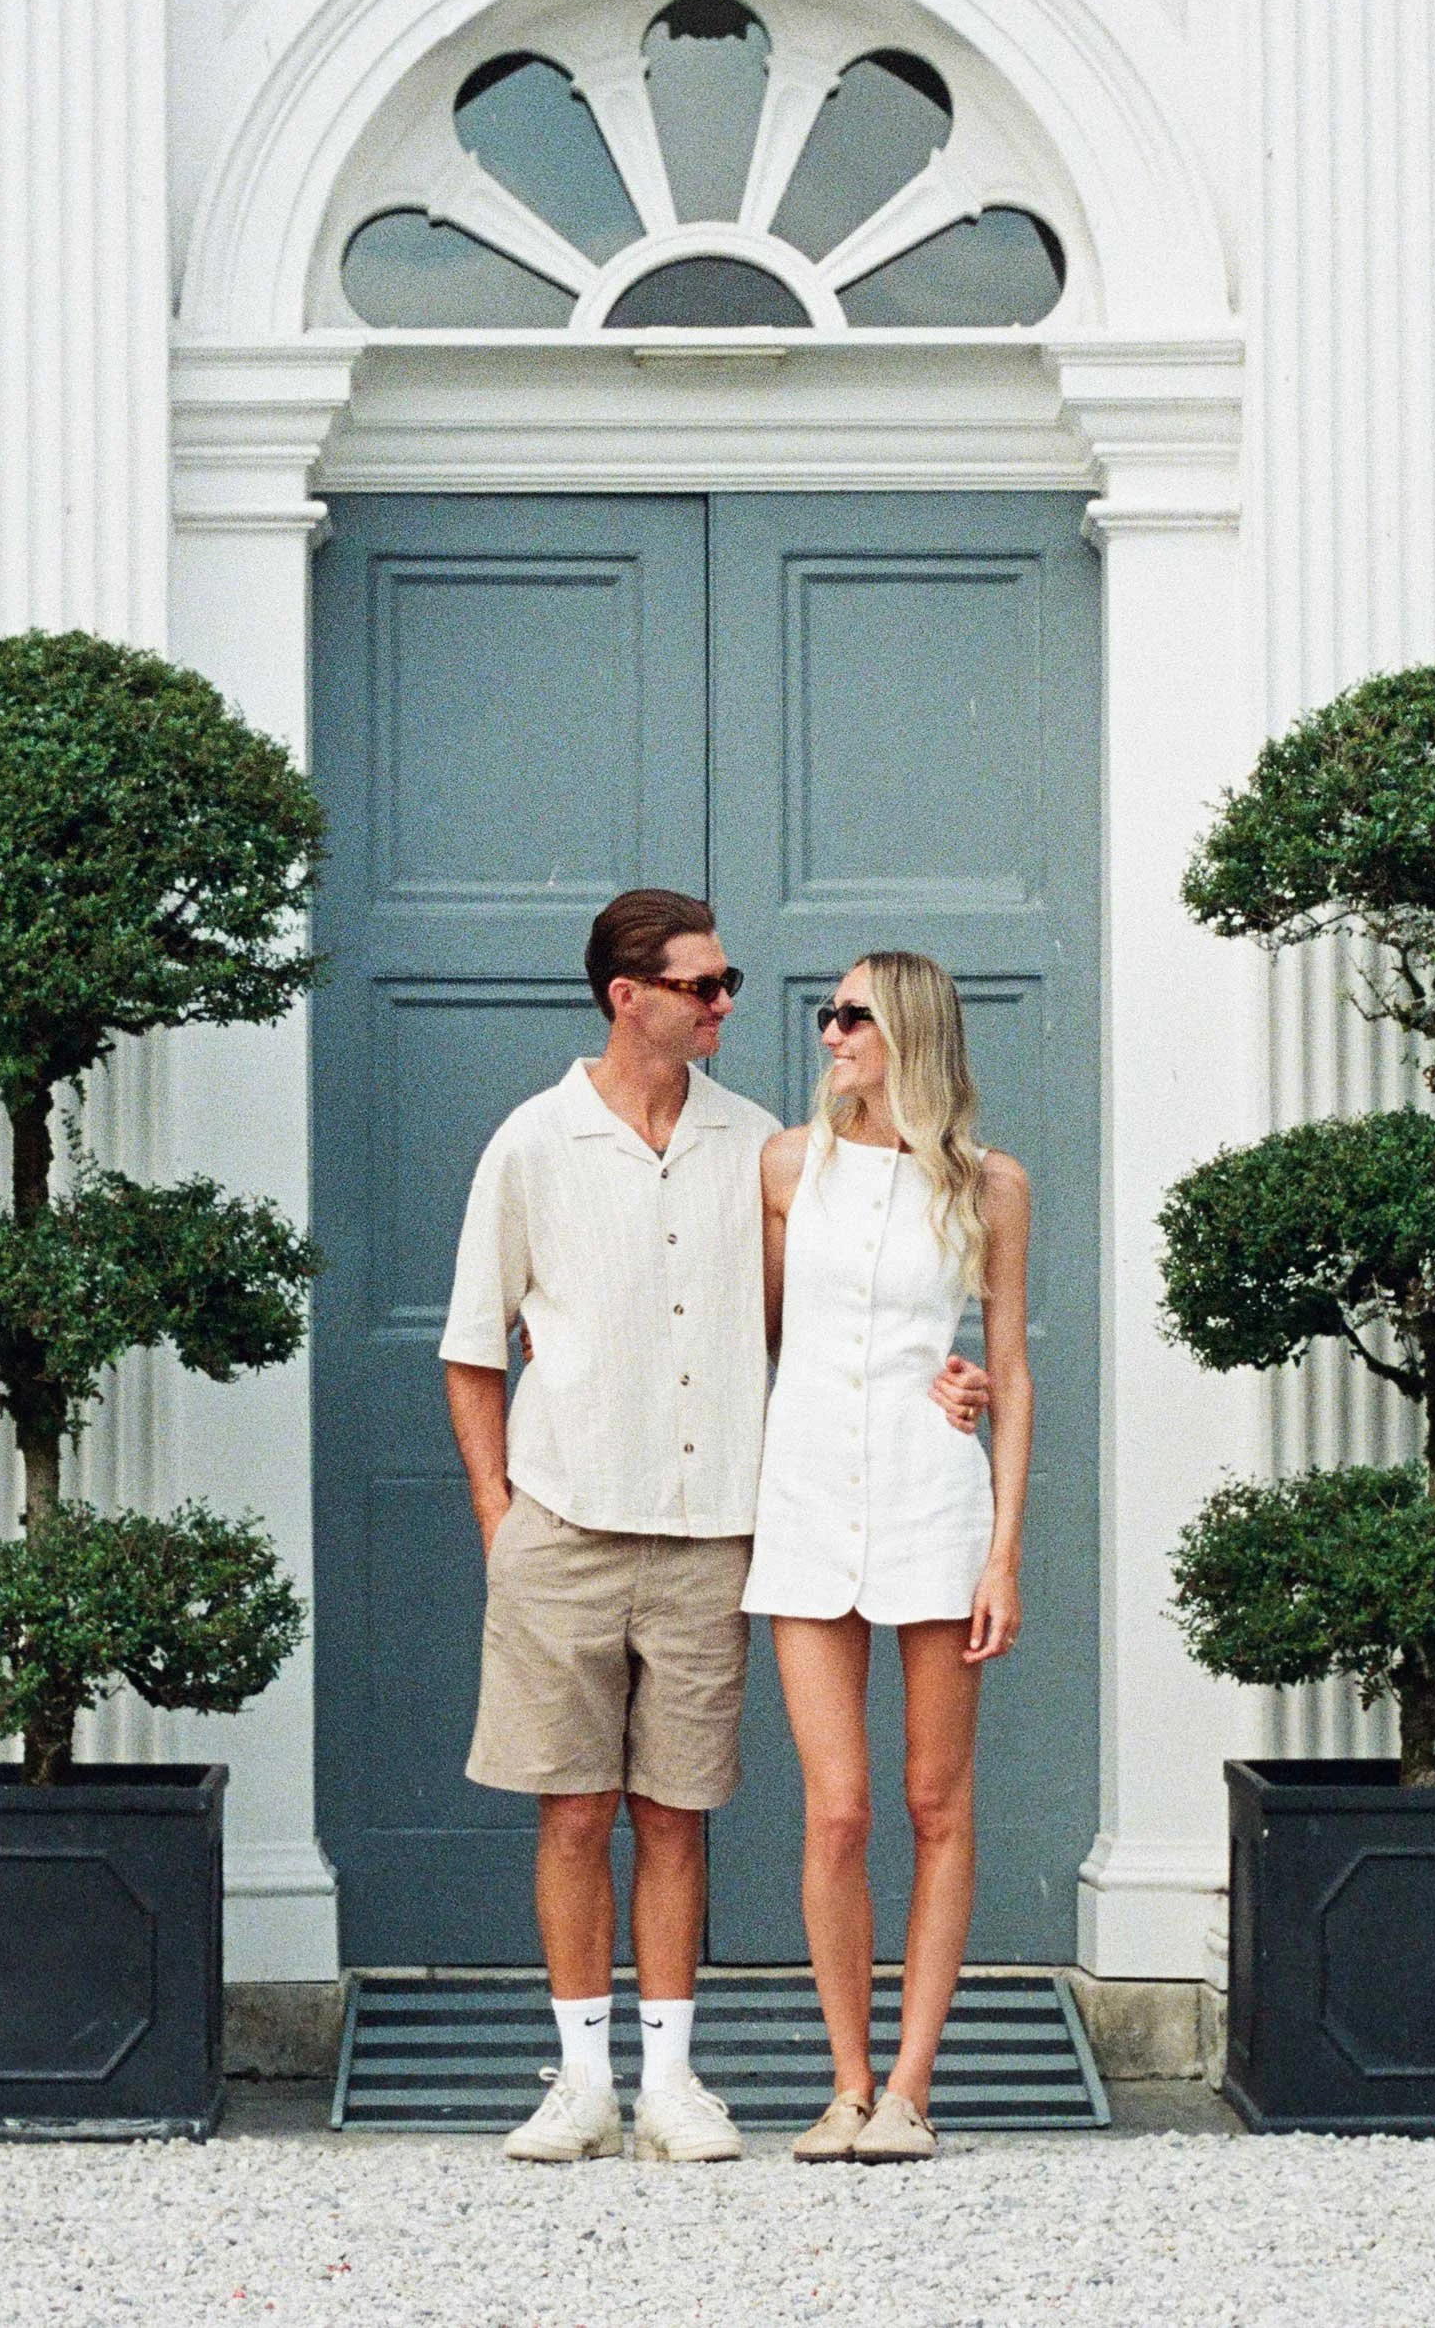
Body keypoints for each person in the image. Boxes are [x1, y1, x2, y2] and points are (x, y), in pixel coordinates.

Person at [440, 892, 985, 2164]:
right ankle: (581, 2083)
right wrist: (496, 1520)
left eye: (729, 981)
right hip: (562, 1523)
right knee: (572, 1811)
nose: (728, 1003)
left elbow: (835, 1320)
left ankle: (674, 2084)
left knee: (678, 1811)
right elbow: (472, 1345)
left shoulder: (764, 1148)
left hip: (713, 1531)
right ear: (628, 997)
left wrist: (951, 1374)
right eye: (705, 985)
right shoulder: (532, 1144)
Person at [742, 951, 1032, 2164]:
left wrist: (1002, 1552)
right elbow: (761, 1334)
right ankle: (846, 2083)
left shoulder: (992, 1184)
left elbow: (1006, 1370)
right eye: (827, 1011)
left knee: (933, 1799)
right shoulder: (782, 1167)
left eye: (851, 1014)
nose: (829, 1032)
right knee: (837, 1808)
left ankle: (913, 2085)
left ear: (907, 1028)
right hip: (807, 1494)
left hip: (932, 1496)